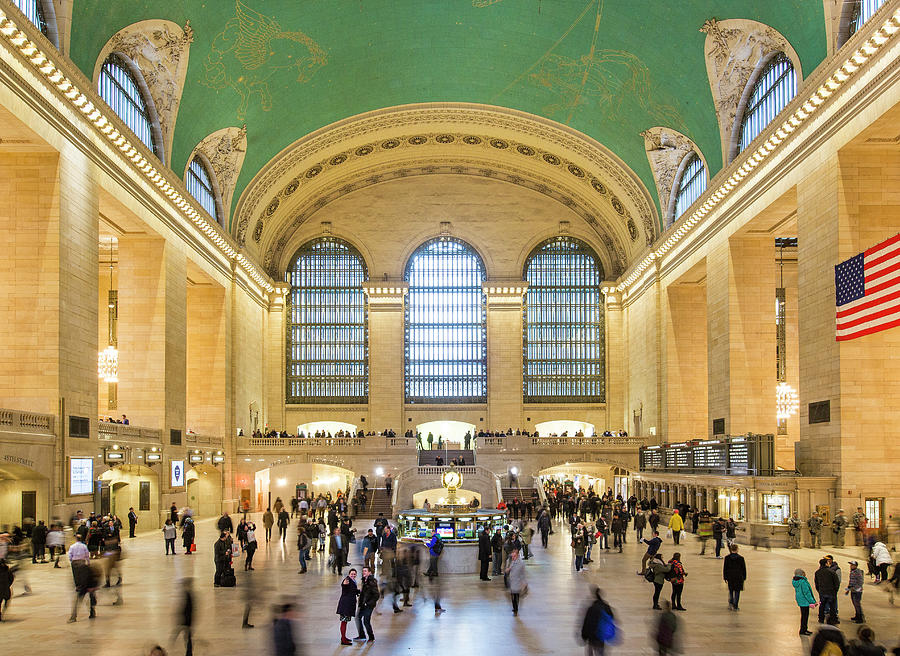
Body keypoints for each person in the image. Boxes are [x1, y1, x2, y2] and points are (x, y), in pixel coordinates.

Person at [581, 587, 615, 656]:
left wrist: (584, 636)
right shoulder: (606, 607)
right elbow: (612, 617)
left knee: (590, 652)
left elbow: (586, 623)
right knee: (600, 652)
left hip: (592, 637)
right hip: (601, 636)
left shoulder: (591, 608)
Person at [354, 566, 378, 642]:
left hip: (368, 605)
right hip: (363, 604)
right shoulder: (364, 580)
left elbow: (376, 595)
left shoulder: (371, 582)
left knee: (366, 621)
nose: (363, 572)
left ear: (369, 572)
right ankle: (362, 635)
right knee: (357, 618)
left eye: (365, 571)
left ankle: (371, 637)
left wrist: (368, 603)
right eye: (363, 571)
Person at [337, 569, 359, 645]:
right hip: (345, 605)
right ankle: (343, 640)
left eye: (354, 574)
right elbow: (344, 586)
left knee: (345, 622)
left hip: (347, 605)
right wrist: (344, 584)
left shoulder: (353, 581)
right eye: (352, 574)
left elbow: (353, 590)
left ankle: (343, 637)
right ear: (349, 574)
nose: (353, 575)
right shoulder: (347, 580)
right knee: (344, 622)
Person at [792, 568, 817, 636]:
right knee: (805, 616)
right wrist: (813, 602)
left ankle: (804, 629)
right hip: (805, 601)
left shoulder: (796, 581)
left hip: (800, 600)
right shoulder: (803, 582)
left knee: (804, 616)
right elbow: (807, 593)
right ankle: (803, 630)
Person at [815, 557, 839, 624]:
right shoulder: (831, 572)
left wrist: (819, 591)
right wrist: (835, 591)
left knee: (822, 606)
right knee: (832, 607)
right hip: (831, 592)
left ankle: (821, 619)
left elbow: (816, 583)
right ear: (826, 563)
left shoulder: (817, 572)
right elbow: (836, 583)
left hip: (822, 592)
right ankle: (833, 619)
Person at [722, 543, 746, 611]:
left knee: (731, 590)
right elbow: (743, 569)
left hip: (730, 577)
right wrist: (744, 577)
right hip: (738, 577)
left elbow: (725, 568)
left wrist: (725, 577)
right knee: (737, 591)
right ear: (737, 550)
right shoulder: (741, 558)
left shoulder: (727, 558)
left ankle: (731, 603)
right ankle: (736, 606)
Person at [505, 548, 527, 616]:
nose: (513, 557)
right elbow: (506, 571)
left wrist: (524, 582)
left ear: (517, 555)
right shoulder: (509, 561)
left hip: (517, 581)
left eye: (514, 556)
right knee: (512, 596)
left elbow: (523, 573)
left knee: (516, 596)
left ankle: (516, 609)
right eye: (512, 556)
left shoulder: (521, 563)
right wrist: (507, 570)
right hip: (512, 581)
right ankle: (514, 607)